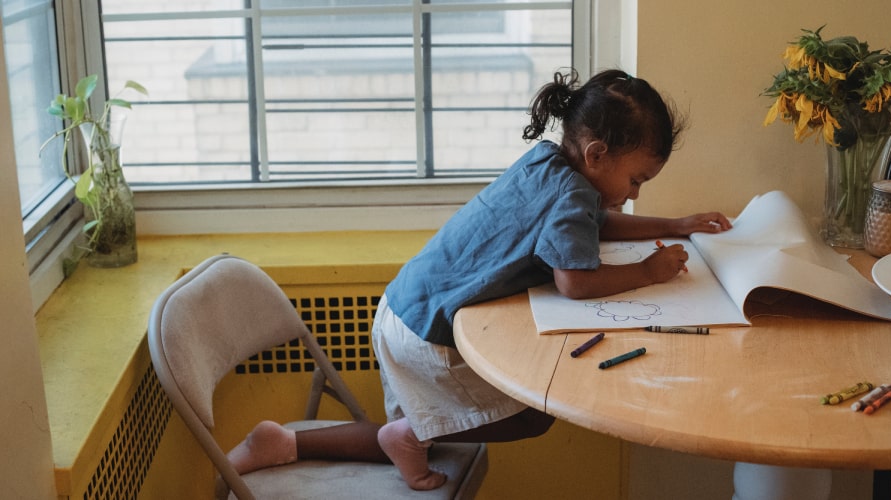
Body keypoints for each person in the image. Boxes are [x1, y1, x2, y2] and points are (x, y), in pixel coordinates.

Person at [226, 68, 733, 490]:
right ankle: (403, 436)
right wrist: (648, 271)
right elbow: (574, 283)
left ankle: (284, 442)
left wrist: (677, 224)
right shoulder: (574, 196)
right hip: (430, 334)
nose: (635, 195)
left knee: (422, 430)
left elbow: (597, 225)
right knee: (536, 414)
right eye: (636, 181)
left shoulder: (549, 165)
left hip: (404, 306)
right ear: (597, 154)